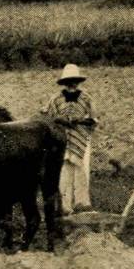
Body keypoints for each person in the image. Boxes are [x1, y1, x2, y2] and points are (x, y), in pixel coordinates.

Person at [44, 63, 97, 215]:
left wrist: (79, 121)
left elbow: (94, 120)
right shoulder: (55, 99)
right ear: (64, 82)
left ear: (78, 81)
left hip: (81, 139)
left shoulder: (87, 98)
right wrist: (61, 120)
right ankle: (65, 206)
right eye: (69, 80)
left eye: (74, 80)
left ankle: (82, 203)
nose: (72, 83)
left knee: (82, 171)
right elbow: (48, 117)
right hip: (61, 140)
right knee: (63, 172)